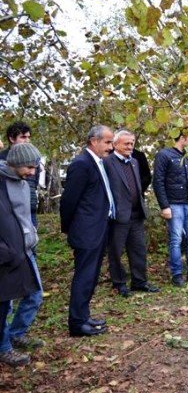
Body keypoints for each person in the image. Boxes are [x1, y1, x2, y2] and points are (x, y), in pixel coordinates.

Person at [60, 126, 115, 337]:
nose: (111, 147)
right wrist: (70, 228)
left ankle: (83, 317)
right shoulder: (81, 164)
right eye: (107, 143)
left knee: (91, 276)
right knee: (84, 276)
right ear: (94, 141)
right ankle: (76, 323)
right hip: (86, 231)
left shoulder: (97, 162)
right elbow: (69, 201)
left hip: (100, 228)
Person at [0, 143, 42, 365]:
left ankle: (16, 334)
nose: (33, 172)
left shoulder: (24, 183)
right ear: (14, 163)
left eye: (35, 167)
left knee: (35, 294)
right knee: (4, 303)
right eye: (29, 167)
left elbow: (24, 216)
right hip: (7, 254)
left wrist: (31, 236)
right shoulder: (2, 182)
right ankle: (4, 346)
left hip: (25, 250)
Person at [104, 130, 159, 298]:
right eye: (126, 143)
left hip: (136, 215)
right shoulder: (107, 162)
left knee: (138, 250)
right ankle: (119, 283)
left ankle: (139, 281)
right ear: (115, 144)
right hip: (119, 216)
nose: (130, 146)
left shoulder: (134, 162)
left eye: (132, 143)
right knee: (116, 251)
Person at [153, 130, 188, 287]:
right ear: (182, 138)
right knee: (176, 240)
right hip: (174, 205)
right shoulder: (164, 155)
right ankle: (177, 275)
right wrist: (164, 206)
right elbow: (158, 182)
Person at [0, 121, 40, 226]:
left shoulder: (34, 157)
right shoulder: (2, 159)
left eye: (28, 137)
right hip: (11, 213)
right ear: (11, 139)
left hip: (30, 209)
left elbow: (34, 183)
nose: (27, 141)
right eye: (23, 137)